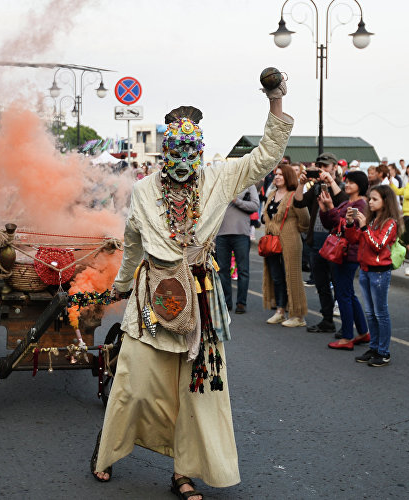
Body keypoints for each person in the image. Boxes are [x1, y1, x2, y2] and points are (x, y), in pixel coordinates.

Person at [91, 82, 293, 499]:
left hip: (199, 300)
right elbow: (132, 242)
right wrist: (121, 286)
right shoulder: (145, 190)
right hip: (152, 300)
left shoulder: (219, 178)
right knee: (134, 381)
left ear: (200, 149)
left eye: (191, 150)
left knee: (198, 391)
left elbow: (266, 156)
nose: (183, 161)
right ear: (165, 149)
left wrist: (276, 99)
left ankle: (184, 473)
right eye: (175, 150)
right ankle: (107, 450)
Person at [348, 185, 401, 366]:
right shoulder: (371, 220)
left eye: (374, 199)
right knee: (370, 313)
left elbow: (378, 245)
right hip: (365, 270)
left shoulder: (390, 223)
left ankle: (383, 352)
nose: (370, 202)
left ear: (385, 201)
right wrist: (350, 224)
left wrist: (364, 228)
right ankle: (374, 347)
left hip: (379, 272)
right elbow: (354, 239)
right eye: (370, 198)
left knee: (381, 313)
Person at [294, 152, 346, 333]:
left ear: (334, 167)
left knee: (339, 285)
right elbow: (299, 203)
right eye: (320, 167)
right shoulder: (316, 187)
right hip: (316, 243)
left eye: (326, 166)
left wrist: (330, 182)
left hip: (335, 242)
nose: (322, 170)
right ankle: (327, 320)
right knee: (321, 284)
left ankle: (346, 326)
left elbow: (344, 202)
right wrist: (301, 184)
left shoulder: (340, 186)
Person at [320, 171, 371, 350]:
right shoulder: (345, 202)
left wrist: (331, 209)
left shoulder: (360, 204)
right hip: (341, 252)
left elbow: (346, 226)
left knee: (343, 294)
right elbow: (330, 223)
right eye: (346, 182)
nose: (347, 185)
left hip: (348, 253)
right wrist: (324, 207)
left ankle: (347, 336)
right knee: (348, 293)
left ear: (360, 185)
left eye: (351, 183)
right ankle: (363, 332)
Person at [262, 163, 310, 327]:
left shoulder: (293, 195)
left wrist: (293, 230)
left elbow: (305, 220)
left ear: (288, 177)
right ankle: (281, 311)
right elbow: (266, 216)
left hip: (290, 241)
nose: (276, 177)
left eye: (281, 174)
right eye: (276, 174)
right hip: (272, 241)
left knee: (292, 276)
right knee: (276, 277)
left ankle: (298, 315)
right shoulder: (272, 195)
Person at [216, 183, 259, 314]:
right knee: (223, 270)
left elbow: (255, 205)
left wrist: (237, 201)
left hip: (241, 234)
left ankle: (241, 303)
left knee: (243, 270)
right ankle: (226, 302)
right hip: (221, 234)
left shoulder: (248, 185)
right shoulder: (221, 185)